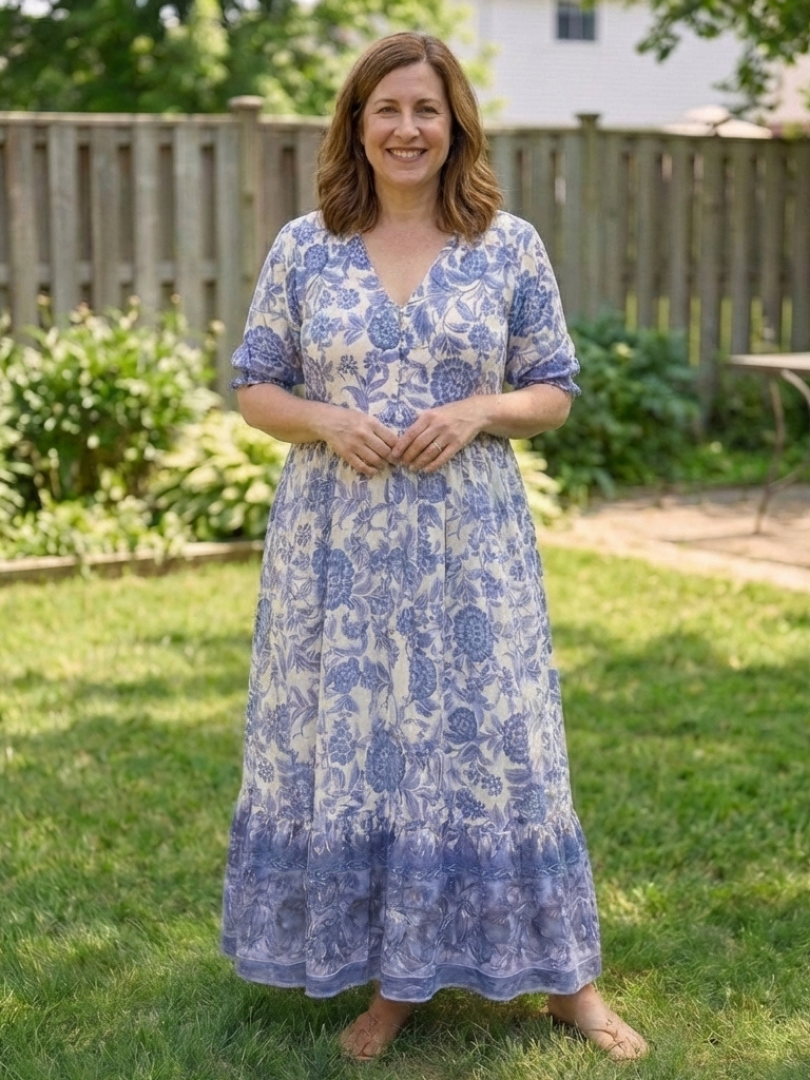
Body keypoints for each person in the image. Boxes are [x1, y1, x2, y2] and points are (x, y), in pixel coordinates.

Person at [221, 31, 648, 1064]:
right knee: (361, 745)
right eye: (388, 109)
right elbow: (254, 386)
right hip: (339, 549)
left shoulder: (508, 245)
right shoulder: (305, 246)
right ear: (357, 125)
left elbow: (555, 390)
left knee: (502, 747)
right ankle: (389, 985)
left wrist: (480, 410)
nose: (407, 128)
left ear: (456, 122)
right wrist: (325, 420)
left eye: (426, 108)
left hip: (472, 549)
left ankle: (570, 985)